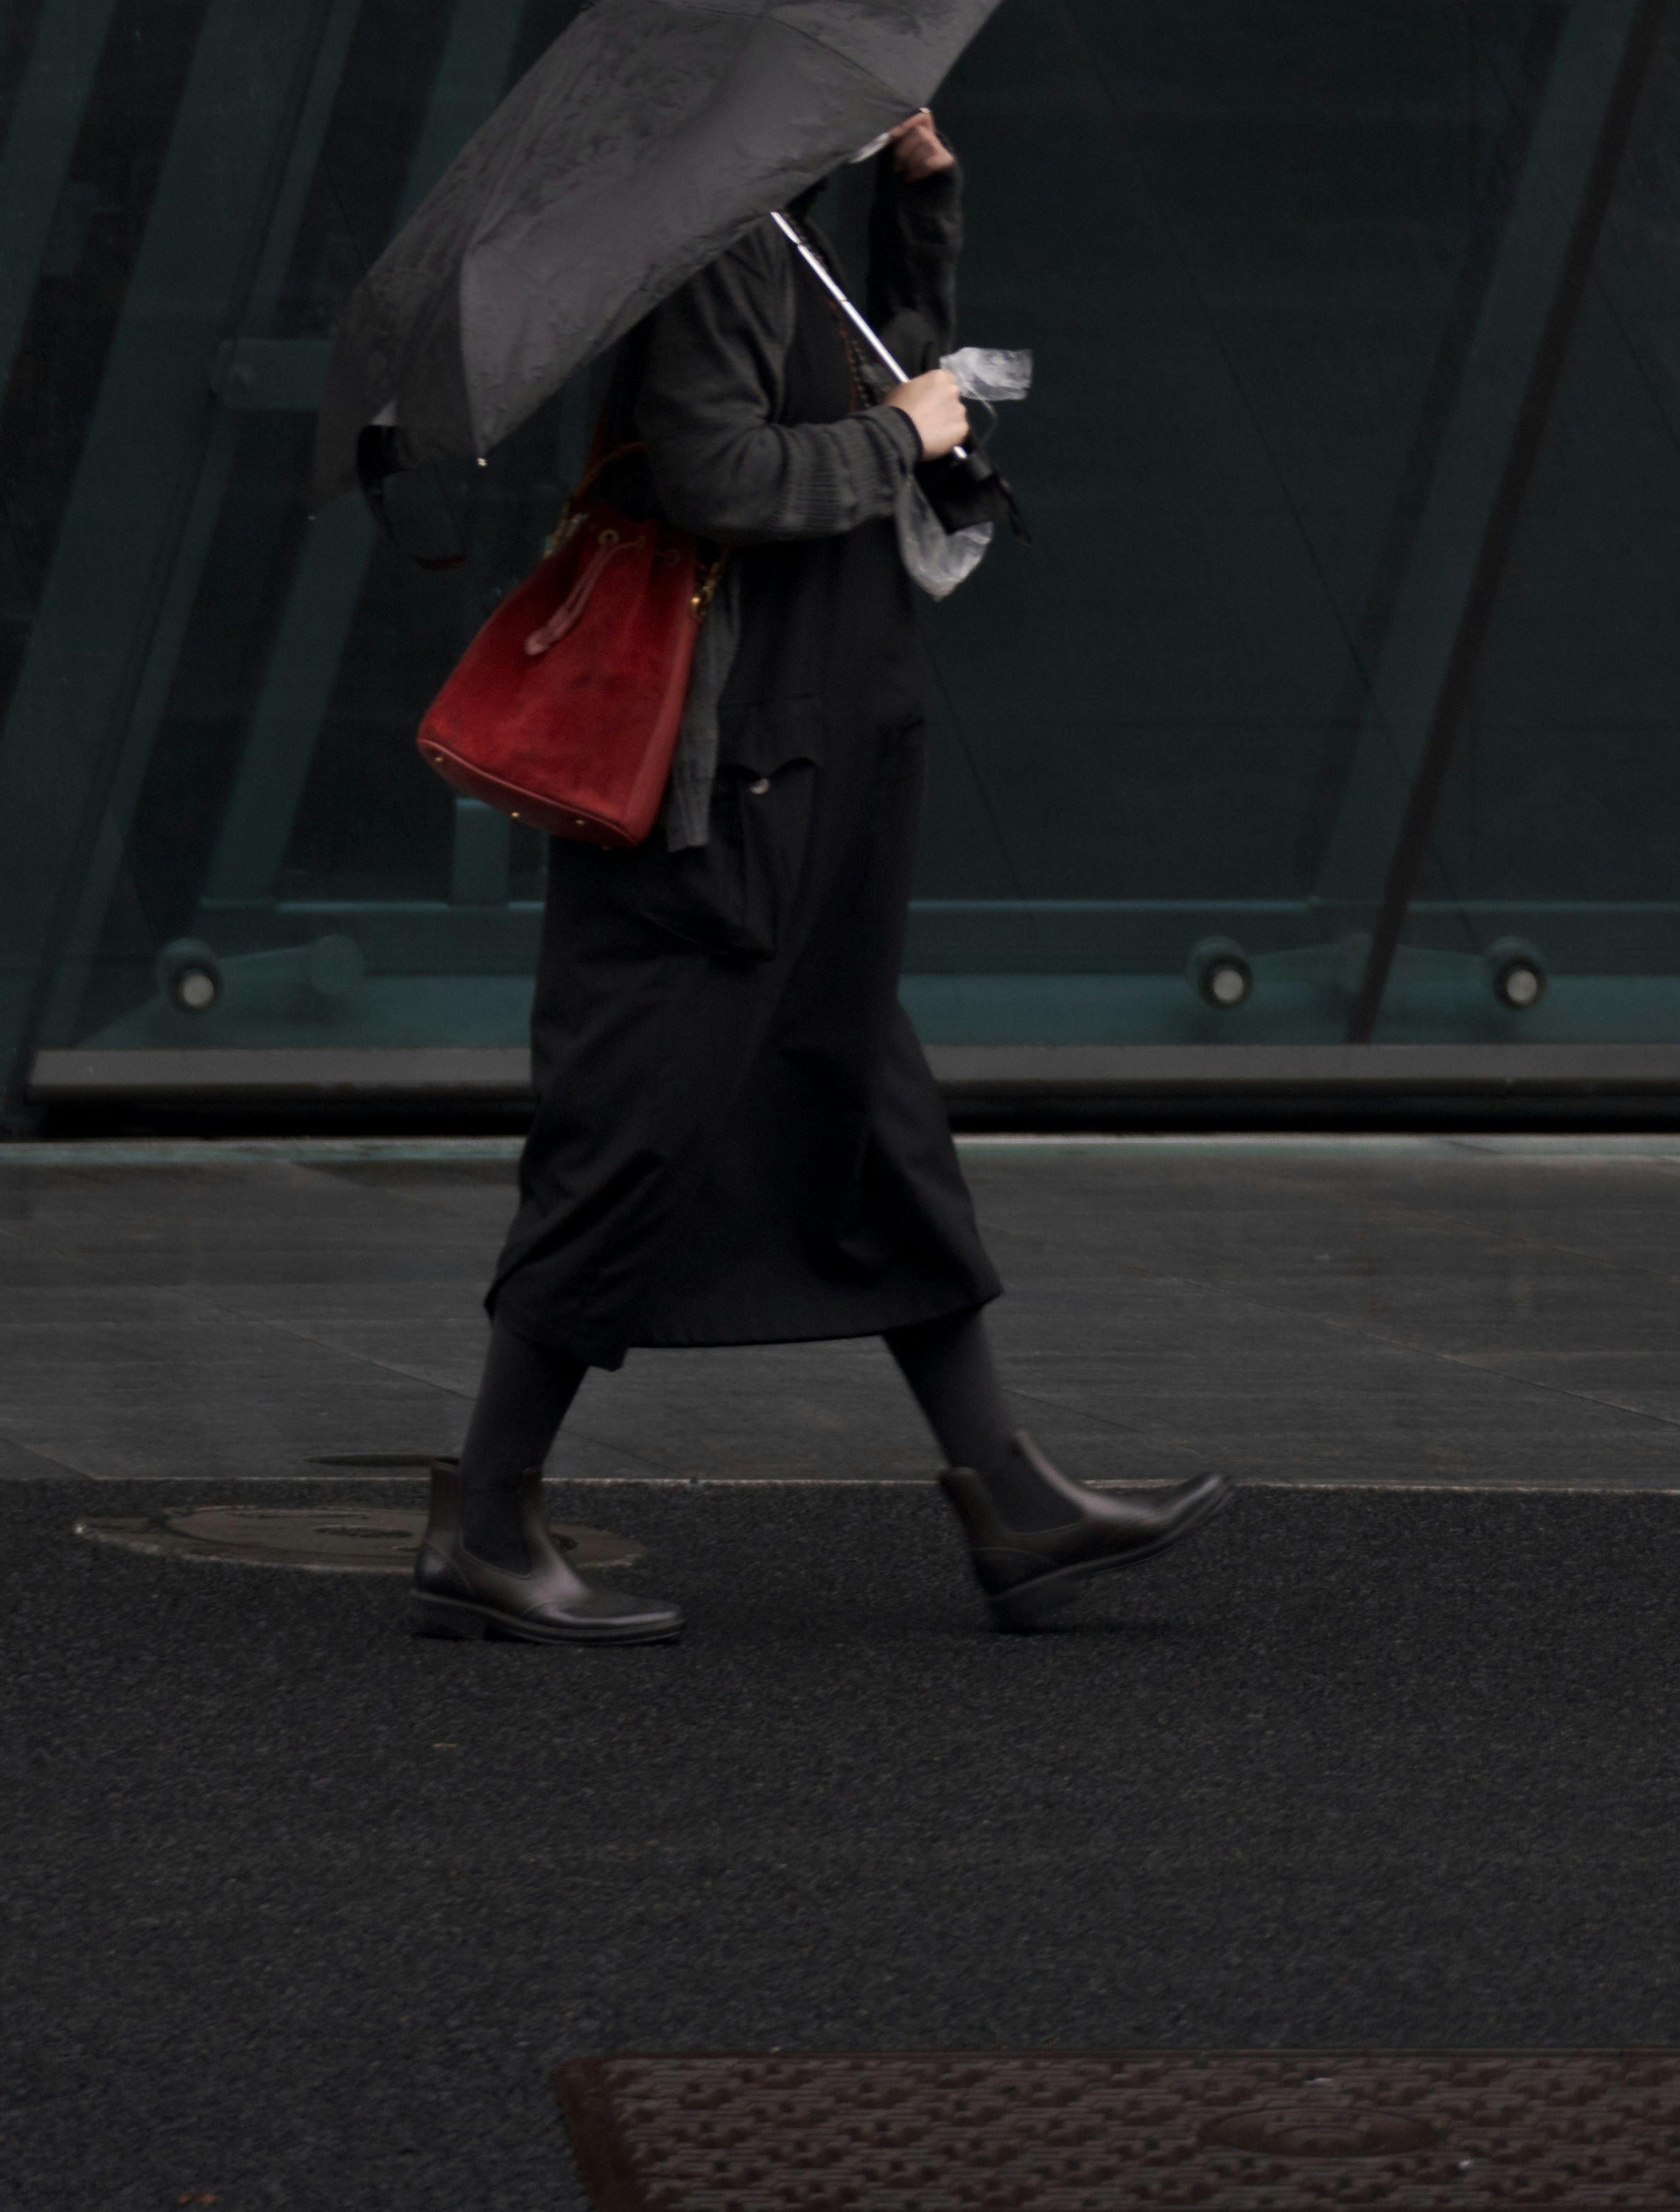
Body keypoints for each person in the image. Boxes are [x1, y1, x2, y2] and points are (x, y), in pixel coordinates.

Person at [414, 101, 1229, 1644]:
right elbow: (727, 471)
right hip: (738, 785)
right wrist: (896, 437)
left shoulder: (787, 237)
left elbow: (880, 370)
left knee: (868, 1118)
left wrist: (921, 205)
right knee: (637, 1127)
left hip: (826, 758)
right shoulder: (714, 249)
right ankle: (489, 1516)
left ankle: (1010, 1494)